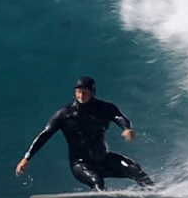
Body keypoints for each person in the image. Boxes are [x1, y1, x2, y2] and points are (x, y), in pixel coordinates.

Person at [15, 76, 154, 191]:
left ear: (92, 92)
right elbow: (45, 135)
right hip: (80, 164)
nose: (81, 95)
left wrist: (126, 128)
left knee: (134, 168)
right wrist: (26, 158)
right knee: (96, 180)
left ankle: (155, 195)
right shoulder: (65, 114)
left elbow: (118, 117)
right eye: (78, 92)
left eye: (85, 92)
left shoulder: (104, 108)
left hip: (104, 159)